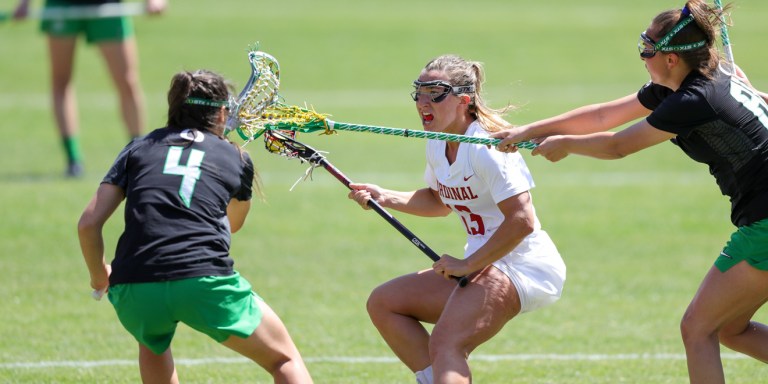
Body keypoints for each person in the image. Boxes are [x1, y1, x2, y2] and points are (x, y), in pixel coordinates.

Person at [493, 1, 768, 383]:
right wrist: (530, 130)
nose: (642, 57)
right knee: (729, 327)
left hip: (765, 226)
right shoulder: (705, 76)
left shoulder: (693, 100)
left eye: (647, 49)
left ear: (672, 59)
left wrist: (567, 145)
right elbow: (605, 115)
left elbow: (618, 144)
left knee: (698, 328)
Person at [77, 69, 314, 383]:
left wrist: (98, 278)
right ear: (222, 113)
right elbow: (233, 225)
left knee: (152, 342)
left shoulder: (138, 147)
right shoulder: (235, 157)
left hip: (133, 282)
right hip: (203, 278)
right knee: (283, 359)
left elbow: (88, 223)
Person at [347, 54, 566, 384]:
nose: (423, 102)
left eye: (435, 93)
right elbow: (439, 200)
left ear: (464, 99)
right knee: (385, 303)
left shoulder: (486, 147)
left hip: (522, 265)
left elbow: (522, 220)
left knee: (447, 343)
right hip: (483, 263)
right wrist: (384, 196)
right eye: (418, 93)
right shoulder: (438, 141)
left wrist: (468, 264)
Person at [13, 0, 167, 177]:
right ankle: (73, 160)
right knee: (61, 80)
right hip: (62, 6)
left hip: (107, 5)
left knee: (127, 81)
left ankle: (139, 155)